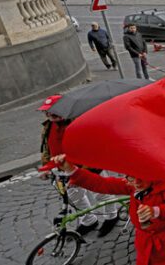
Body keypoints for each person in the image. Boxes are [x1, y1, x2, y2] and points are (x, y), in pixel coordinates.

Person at [51, 154, 165, 265]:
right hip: (146, 245)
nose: (136, 183)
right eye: (130, 178)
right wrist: (72, 170)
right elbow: (102, 184)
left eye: (140, 177)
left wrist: (157, 211)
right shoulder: (133, 185)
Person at [38, 96, 119, 237]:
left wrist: (84, 172)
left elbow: (94, 148)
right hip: (62, 170)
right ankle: (89, 221)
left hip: (87, 168)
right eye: (47, 111)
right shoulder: (47, 126)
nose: (50, 114)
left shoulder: (80, 122)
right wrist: (46, 166)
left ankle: (111, 216)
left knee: (102, 194)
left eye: (53, 111)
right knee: (75, 198)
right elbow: (46, 148)